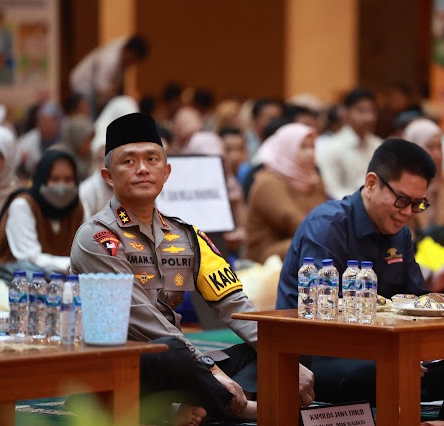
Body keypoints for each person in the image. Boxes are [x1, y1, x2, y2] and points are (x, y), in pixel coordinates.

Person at [69, 112, 314, 425]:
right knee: (171, 351)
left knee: (282, 346)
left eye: (152, 159)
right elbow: (146, 323)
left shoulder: (186, 236)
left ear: (167, 171)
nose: (143, 169)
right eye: (129, 161)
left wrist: (286, 361)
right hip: (119, 366)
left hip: (182, 367)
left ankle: (191, 407)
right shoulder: (97, 237)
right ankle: (243, 408)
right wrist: (209, 368)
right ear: (107, 176)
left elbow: (233, 304)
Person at [276, 138, 444, 404]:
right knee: (370, 372)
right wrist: (385, 353)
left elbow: (417, 299)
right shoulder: (328, 226)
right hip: (323, 350)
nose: (408, 213)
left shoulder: (401, 234)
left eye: (418, 204)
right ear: (372, 183)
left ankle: (413, 382)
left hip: (387, 346)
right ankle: (418, 385)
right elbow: (320, 315)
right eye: (402, 200)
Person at [244, 123, 328, 263]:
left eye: (312, 147)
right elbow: (296, 224)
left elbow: (325, 219)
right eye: (303, 147)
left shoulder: (313, 180)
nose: (310, 153)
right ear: (286, 149)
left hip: (303, 246)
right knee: (316, 245)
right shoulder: (268, 182)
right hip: (265, 257)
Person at [0, 150, 85, 274]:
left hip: (67, 282)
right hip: (17, 282)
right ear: (42, 178)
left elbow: (85, 249)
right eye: (54, 179)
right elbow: (28, 257)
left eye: (68, 179)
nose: (61, 186)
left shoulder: (78, 208)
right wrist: (73, 264)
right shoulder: (23, 205)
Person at [403, 118, 444, 244]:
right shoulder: (401, 184)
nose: (437, 154)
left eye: (440, 147)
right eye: (430, 147)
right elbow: (403, 231)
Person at [316, 88, 382, 200]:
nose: (369, 117)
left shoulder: (379, 145)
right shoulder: (331, 147)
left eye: (372, 111)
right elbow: (332, 189)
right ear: (345, 112)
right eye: (361, 111)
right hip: (346, 210)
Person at [69, 35, 148, 118]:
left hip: (98, 89)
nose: (132, 63)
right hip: (84, 85)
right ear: (129, 52)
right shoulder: (108, 60)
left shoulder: (124, 48)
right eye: (132, 59)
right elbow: (100, 90)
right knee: (91, 117)